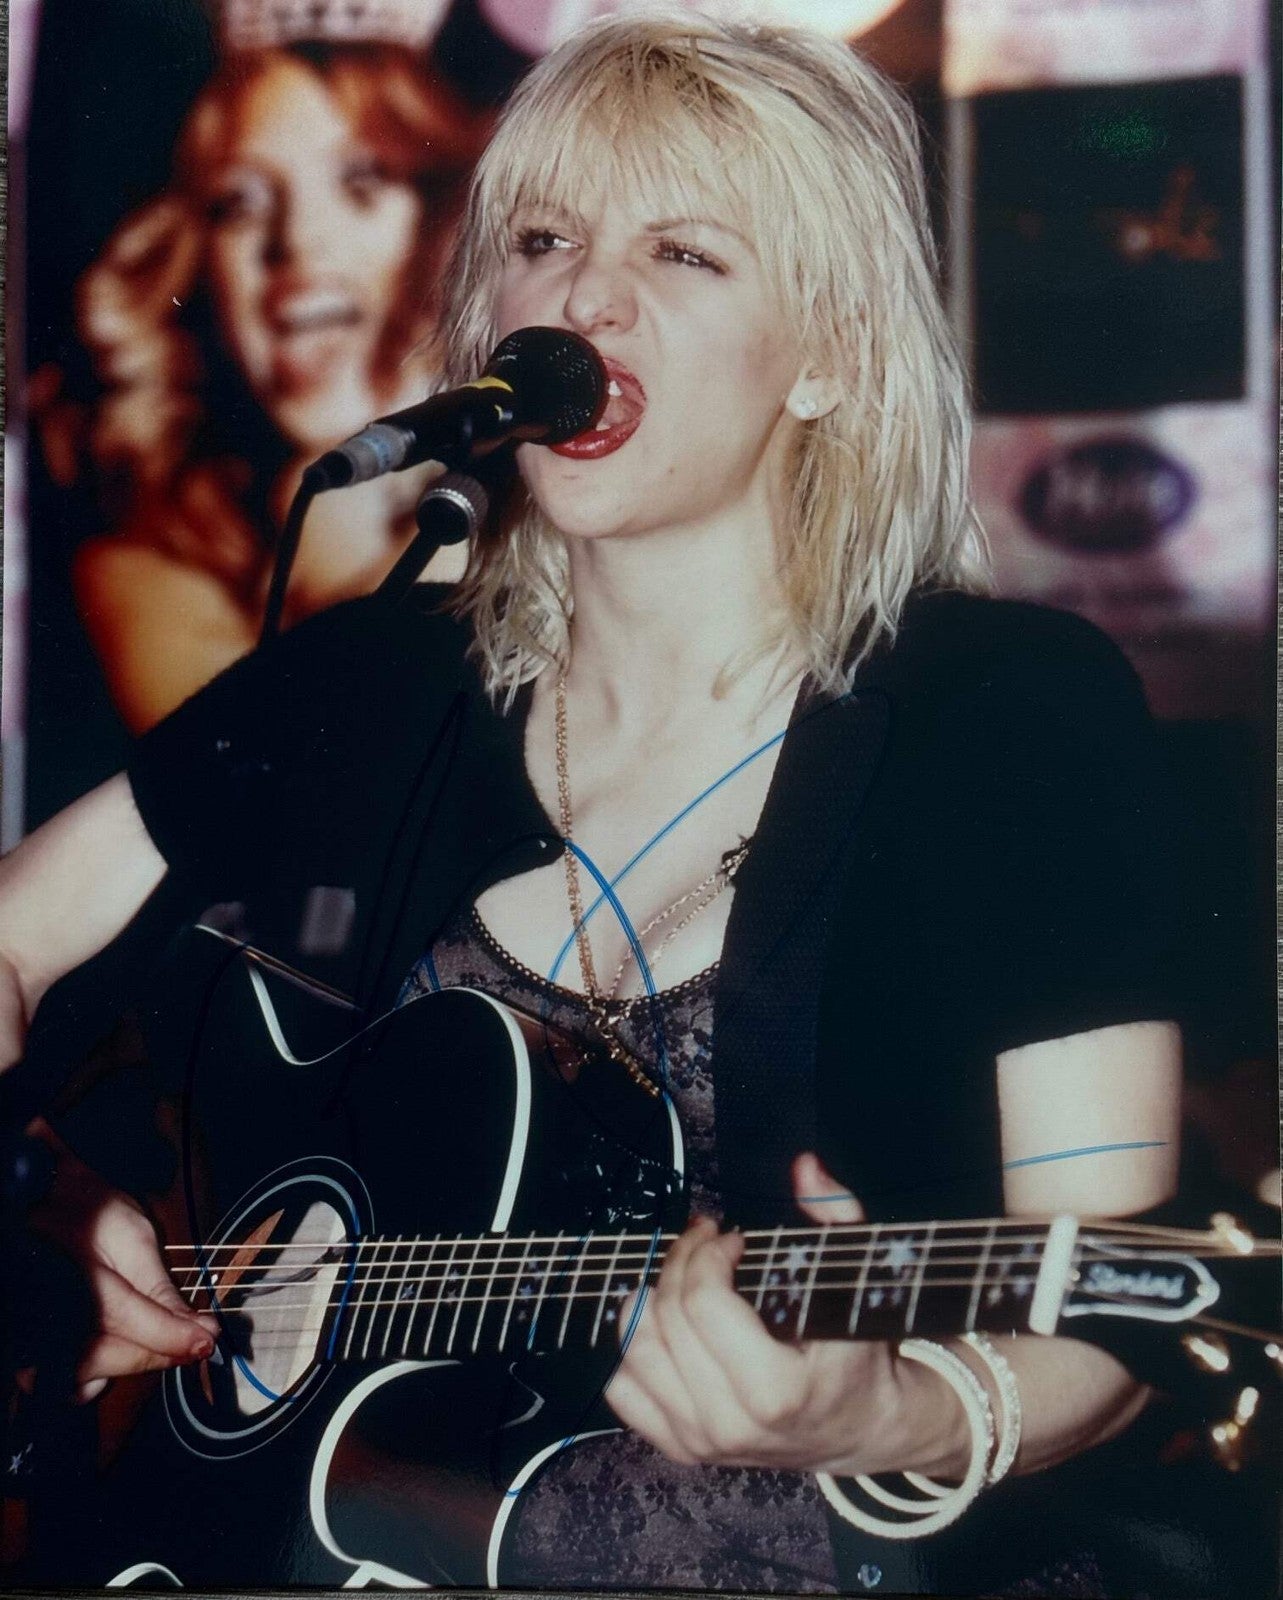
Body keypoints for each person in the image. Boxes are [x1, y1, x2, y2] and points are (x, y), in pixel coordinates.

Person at [2, 12, 1183, 1593]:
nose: (582, 298)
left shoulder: (1004, 714)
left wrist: (888, 1410)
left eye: (682, 254)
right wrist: (39, 1203)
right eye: (543, 242)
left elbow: (1116, 1305)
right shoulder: (376, 678)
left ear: (828, 356)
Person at [33, 38, 488, 733]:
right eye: (239, 203)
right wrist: (351, 511)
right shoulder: (140, 569)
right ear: (197, 261)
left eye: (362, 181)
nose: (296, 243)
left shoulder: (546, 495)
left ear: (442, 223)